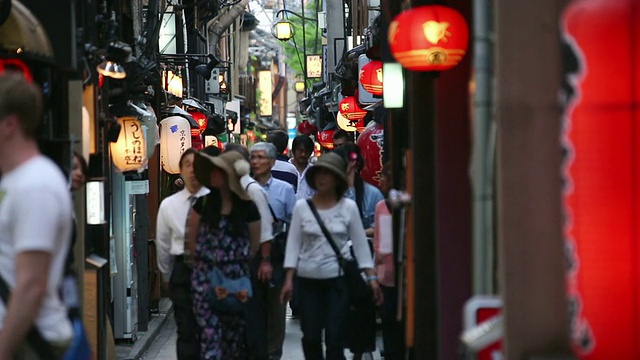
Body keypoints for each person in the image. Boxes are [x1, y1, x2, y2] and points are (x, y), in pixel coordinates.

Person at [280, 152, 382, 360]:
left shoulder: (348, 208)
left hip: (337, 280)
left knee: (335, 337)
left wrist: (371, 278)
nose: (322, 178)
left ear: (337, 179)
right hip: (308, 281)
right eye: (319, 173)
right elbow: (293, 244)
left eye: (328, 173)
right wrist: (289, 279)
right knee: (310, 336)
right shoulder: (302, 207)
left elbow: (361, 247)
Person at [0, 73, 74, 357]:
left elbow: (31, 284)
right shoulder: (15, 180)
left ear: (9, 125)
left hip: (29, 343)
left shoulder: (36, 185)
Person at [187, 150, 261, 359]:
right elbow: (192, 240)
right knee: (209, 337)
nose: (213, 175)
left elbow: (253, 245)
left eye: (218, 171)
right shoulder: (203, 204)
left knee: (233, 339)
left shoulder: (248, 207)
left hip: (236, 280)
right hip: (206, 279)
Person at [155, 148, 210, 360]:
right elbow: (163, 243)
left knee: (209, 328)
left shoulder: (215, 201)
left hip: (210, 269)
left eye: (197, 165)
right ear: (180, 170)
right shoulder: (169, 205)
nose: (192, 171)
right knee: (185, 328)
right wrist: (166, 275)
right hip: (183, 268)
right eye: (187, 165)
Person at [334, 143, 384, 359]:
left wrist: (358, 232)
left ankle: (359, 351)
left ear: (353, 163)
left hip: (364, 260)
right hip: (336, 261)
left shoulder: (372, 194)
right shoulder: (330, 193)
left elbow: (380, 226)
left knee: (361, 310)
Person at [225, 143, 274, 360]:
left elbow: (266, 229)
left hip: (249, 262)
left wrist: (264, 260)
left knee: (252, 316)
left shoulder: (252, 190)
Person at [249, 142, 296, 360]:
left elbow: (293, 223)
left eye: (260, 157)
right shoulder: (245, 188)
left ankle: (273, 353)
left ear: (272, 162)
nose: (255, 162)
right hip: (251, 254)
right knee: (254, 308)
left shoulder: (284, 190)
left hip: (276, 254)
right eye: (253, 157)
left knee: (276, 310)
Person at [374, 163, 403, 359]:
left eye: (384, 177)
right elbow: (378, 243)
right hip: (385, 272)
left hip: (403, 269)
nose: (380, 181)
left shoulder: (404, 204)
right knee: (388, 315)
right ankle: (390, 350)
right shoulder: (380, 206)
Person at [290, 135, 315, 200]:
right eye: (300, 150)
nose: (303, 154)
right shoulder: (285, 169)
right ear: (294, 150)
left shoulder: (314, 172)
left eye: (307, 151)